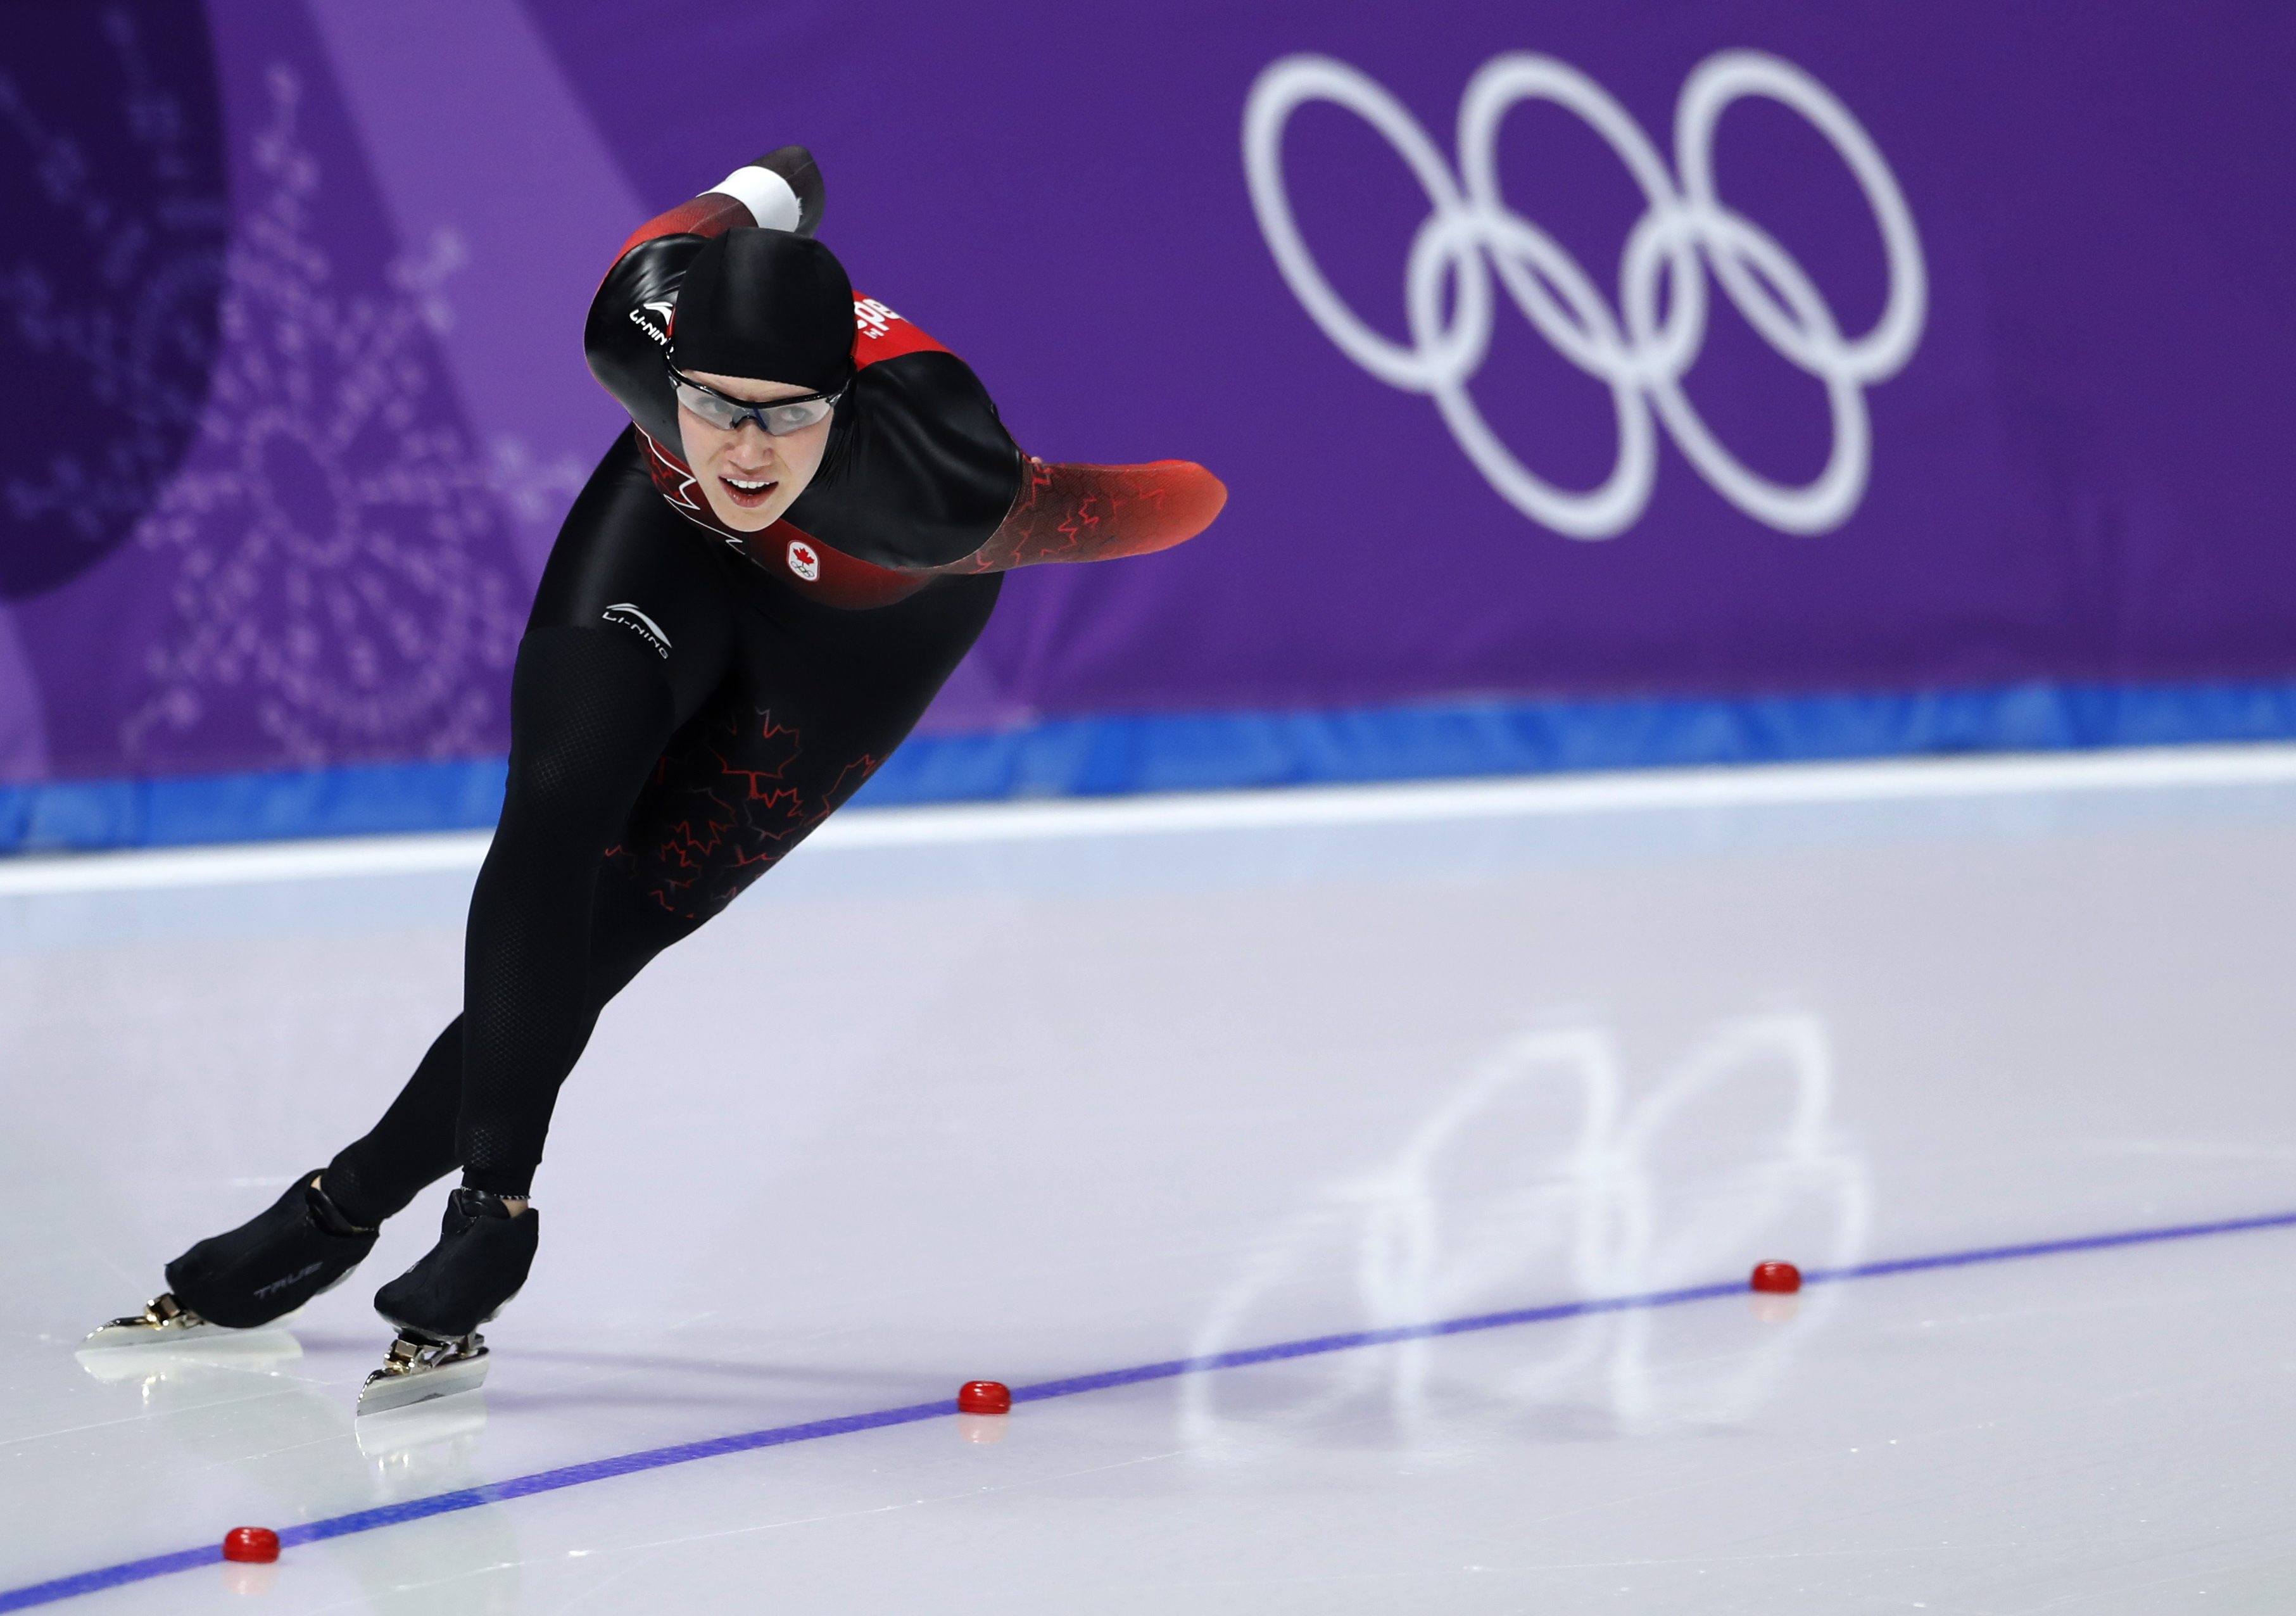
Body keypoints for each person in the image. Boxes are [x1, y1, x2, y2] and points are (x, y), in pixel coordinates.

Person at [87, 147, 1225, 1408]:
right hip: (667, 545)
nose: (743, 449)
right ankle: (492, 1214)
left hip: (852, 644)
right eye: (715, 404)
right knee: (557, 802)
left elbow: (1169, 503)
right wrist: (772, 185)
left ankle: (336, 1208)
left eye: (783, 414)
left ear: (839, 404)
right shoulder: (633, 320)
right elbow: (717, 212)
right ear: (667, 363)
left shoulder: (944, 486)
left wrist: (1222, 474)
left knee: (610, 930)